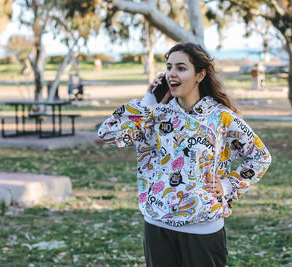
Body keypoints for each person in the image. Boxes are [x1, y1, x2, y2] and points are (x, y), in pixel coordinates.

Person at [98, 42, 272, 267]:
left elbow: (260, 156)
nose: (172, 73)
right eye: (169, 67)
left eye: (181, 68)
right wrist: (148, 102)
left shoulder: (221, 118)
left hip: (203, 229)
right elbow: (108, 134)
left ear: (200, 74)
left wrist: (229, 185)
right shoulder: (154, 115)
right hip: (157, 225)